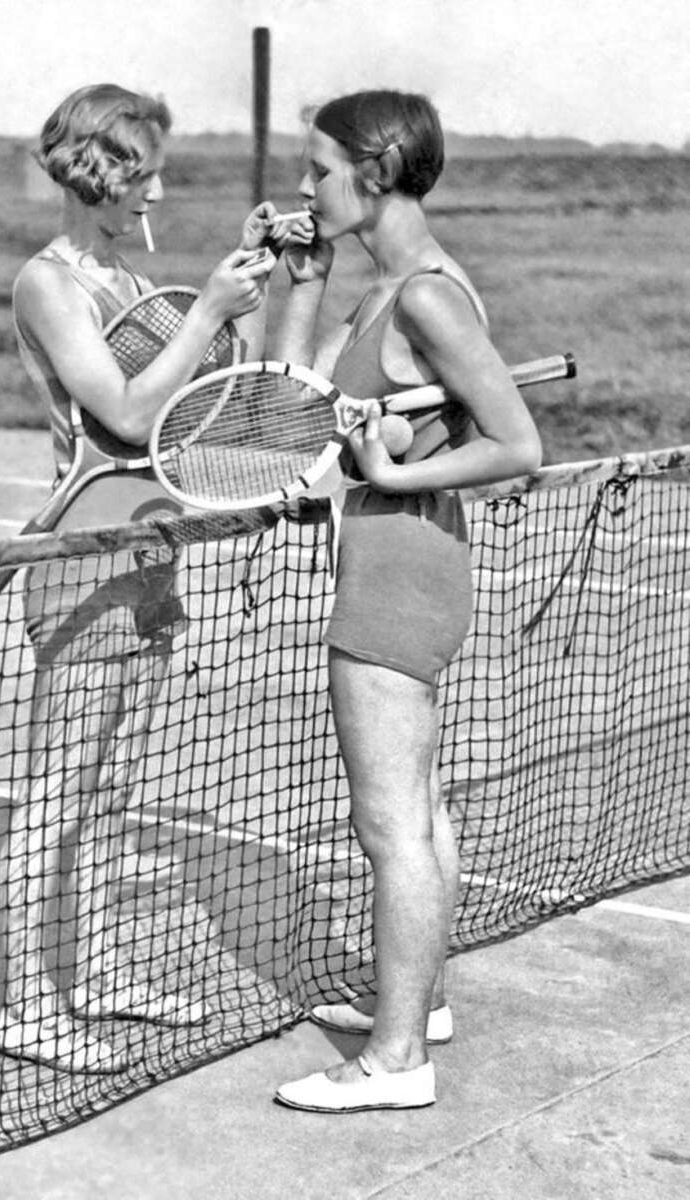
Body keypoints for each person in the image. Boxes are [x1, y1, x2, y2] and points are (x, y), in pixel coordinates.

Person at [0, 83, 276, 1074]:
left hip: (154, 554)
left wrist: (246, 298)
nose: (156, 189)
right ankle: (27, 1005)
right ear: (99, 173)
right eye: (142, 171)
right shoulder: (50, 282)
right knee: (56, 794)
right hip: (83, 564)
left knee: (112, 789)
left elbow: (209, 405)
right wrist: (204, 308)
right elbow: (119, 412)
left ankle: (101, 969)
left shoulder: (119, 271)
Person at [268, 89, 542, 1112]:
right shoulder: (391, 284)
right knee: (418, 812)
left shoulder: (427, 294)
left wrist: (382, 473)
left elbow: (514, 446)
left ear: (374, 174)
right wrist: (305, 281)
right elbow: (287, 402)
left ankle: (393, 1063)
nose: (304, 186)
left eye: (319, 168)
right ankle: (418, 1005)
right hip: (407, 555)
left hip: (398, 564)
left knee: (388, 825)